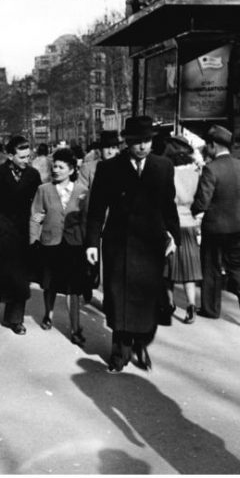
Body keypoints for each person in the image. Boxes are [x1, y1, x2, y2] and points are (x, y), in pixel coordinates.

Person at [86, 116, 180, 373]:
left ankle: (141, 344)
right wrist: (92, 243)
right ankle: (120, 353)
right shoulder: (109, 168)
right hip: (119, 244)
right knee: (119, 299)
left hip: (151, 245)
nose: (142, 147)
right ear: (127, 142)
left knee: (145, 300)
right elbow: (96, 209)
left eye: (147, 141)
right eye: (137, 142)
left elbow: (168, 206)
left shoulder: (163, 167)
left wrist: (174, 236)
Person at [191, 125, 240, 328]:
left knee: (210, 267)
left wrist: (192, 212)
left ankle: (211, 309)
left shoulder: (211, 169)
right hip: (237, 227)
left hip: (214, 228)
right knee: (238, 268)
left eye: (208, 146)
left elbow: (203, 201)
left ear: (213, 146)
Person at [0, 136, 41, 335]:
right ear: (11, 155)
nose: (26, 160)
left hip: (22, 234)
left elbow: (38, 201)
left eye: (28, 156)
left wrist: (39, 216)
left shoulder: (33, 175)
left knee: (20, 280)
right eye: (22, 157)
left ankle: (15, 319)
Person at [30, 148, 88, 346]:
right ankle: (48, 315)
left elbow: (86, 220)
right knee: (50, 284)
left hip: (74, 246)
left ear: (71, 170)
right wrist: (33, 240)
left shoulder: (82, 192)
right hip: (50, 243)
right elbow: (35, 216)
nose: (56, 170)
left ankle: (75, 328)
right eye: (54, 166)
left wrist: (89, 244)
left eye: (61, 167)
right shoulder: (43, 190)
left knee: (74, 288)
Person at [163, 138, 202, 324]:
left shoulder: (169, 173)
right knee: (189, 270)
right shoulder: (195, 172)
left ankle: (169, 303)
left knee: (168, 269)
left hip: (171, 225)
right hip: (190, 223)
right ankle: (191, 305)